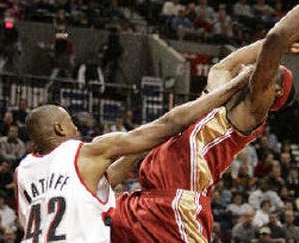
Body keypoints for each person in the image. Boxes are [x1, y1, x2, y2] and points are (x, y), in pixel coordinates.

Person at [110, 0, 299, 242]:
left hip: (176, 209)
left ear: (273, 92)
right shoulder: (213, 99)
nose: (257, 65)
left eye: (268, 69)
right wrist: (263, 48)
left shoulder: (248, 113)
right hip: (140, 201)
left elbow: (275, 37)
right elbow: (222, 66)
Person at [15, 73, 249, 243]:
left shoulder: (23, 171)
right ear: (59, 128)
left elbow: (90, 186)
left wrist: (138, 150)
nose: (76, 130)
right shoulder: (82, 151)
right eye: (71, 124)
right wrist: (235, 85)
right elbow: (169, 124)